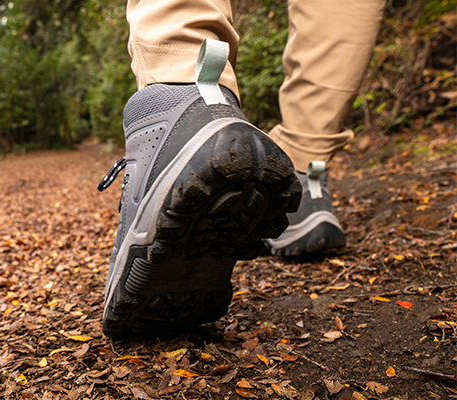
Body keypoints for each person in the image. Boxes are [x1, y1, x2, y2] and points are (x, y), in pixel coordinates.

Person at [97, 0, 385, 335]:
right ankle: (308, 170)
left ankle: (184, 85)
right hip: (316, 153)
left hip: (187, 95)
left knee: (185, 55)